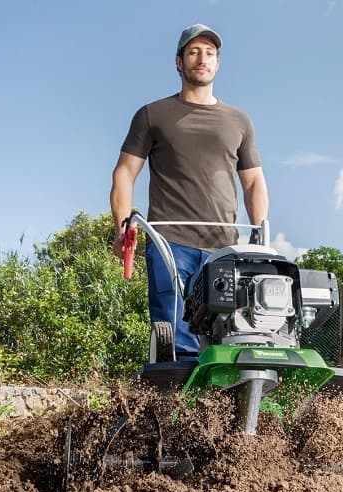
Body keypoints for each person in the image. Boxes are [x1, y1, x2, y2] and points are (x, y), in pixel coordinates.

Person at [110, 23, 269, 358]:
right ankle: (174, 402)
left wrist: (261, 233)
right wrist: (123, 227)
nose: (203, 58)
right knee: (177, 339)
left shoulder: (238, 121)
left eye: (210, 53)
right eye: (194, 51)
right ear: (179, 62)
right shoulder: (153, 115)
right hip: (170, 242)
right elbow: (125, 172)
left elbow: (253, 180)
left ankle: (220, 406)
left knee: (225, 336)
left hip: (223, 246)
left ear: (218, 64)